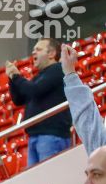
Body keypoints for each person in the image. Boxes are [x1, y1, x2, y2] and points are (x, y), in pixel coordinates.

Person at [7, 38, 72, 166]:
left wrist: (16, 77)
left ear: (51, 54)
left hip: (51, 134)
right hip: (36, 136)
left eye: (38, 49)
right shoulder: (39, 77)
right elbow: (19, 100)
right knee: (37, 177)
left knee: (49, 175)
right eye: (33, 50)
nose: (34, 52)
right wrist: (12, 79)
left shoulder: (58, 69)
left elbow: (34, 90)